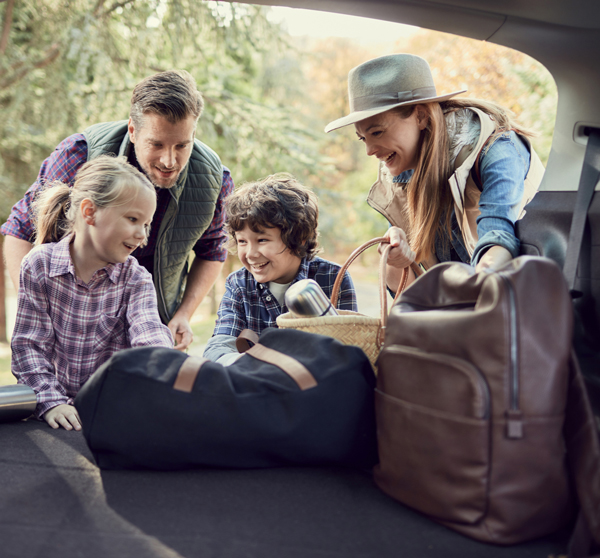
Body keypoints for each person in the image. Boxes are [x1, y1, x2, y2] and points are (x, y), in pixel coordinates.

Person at [1, 70, 233, 351]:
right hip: (72, 326)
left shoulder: (214, 179)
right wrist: (39, 316)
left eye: (182, 145)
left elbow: (213, 251)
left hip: (150, 326)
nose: (170, 160)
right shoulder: (79, 154)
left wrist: (183, 314)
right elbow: (18, 231)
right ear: (133, 131)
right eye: (156, 144)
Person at [325, 54, 545, 293]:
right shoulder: (401, 176)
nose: (369, 151)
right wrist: (398, 260)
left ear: (420, 116)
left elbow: (498, 239)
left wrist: (471, 296)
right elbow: (409, 294)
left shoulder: (496, 150)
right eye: (362, 138)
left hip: (523, 305)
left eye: (377, 132)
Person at [11, 155, 174, 431]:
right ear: (89, 212)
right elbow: (29, 346)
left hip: (111, 408)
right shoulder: (38, 266)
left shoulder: (135, 278)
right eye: (133, 219)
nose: (142, 235)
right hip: (54, 411)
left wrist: (165, 368)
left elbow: (149, 333)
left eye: (146, 224)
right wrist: (51, 401)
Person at [203, 173, 358, 365]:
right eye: (242, 241)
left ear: (299, 238)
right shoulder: (239, 284)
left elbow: (349, 349)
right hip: (257, 384)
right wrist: (250, 364)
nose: (250, 254)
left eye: (262, 240)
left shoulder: (334, 278)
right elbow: (218, 346)